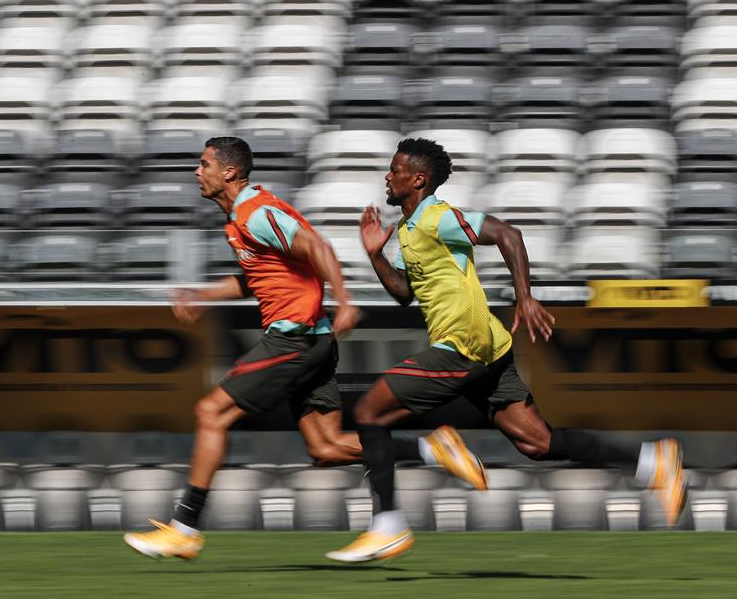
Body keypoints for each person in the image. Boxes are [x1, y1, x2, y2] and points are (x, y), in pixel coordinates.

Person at [123, 136, 484, 561]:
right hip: (313, 339)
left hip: (294, 338)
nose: (196, 172)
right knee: (326, 447)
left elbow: (317, 247)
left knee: (210, 413)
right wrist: (204, 294)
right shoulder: (241, 219)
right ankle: (432, 449)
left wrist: (345, 301)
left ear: (229, 172)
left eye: (204, 165)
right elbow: (257, 276)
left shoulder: (256, 213)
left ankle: (184, 528)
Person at [326, 137, 685, 563]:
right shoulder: (408, 229)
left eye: (396, 170)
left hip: (464, 344)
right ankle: (652, 461)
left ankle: (388, 525)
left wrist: (525, 298)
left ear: (418, 179)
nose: (388, 177)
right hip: (488, 348)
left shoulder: (438, 218)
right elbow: (404, 293)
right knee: (538, 443)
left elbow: (506, 234)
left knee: (369, 412)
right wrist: (376, 256)